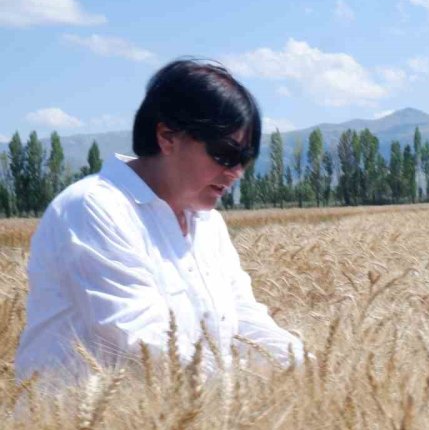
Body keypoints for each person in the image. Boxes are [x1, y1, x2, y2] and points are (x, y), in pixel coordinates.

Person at [14, 59, 304, 381]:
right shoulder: (94, 208)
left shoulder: (208, 224)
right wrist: (236, 392)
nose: (236, 172)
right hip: (73, 428)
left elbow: (242, 319)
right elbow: (139, 340)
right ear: (167, 137)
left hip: (178, 424)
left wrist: (311, 371)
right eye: (225, 152)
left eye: (245, 159)